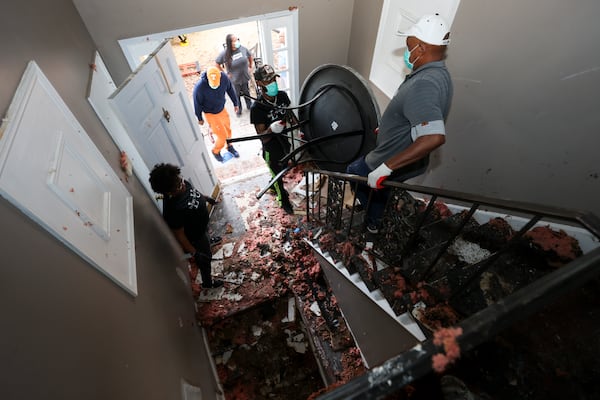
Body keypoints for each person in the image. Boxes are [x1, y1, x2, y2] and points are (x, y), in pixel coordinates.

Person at [346, 13, 453, 234]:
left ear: (422, 48)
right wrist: (387, 128)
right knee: (380, 186)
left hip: (388, 157)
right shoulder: (439, 74)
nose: (407, 51)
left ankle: (375, 222)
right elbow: (414, 116)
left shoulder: (424, 84)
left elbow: (433, 136)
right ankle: (383, 201)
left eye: (409, 46)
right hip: (401, 151)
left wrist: (386, 167)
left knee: (355, 173)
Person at [149, 163, 223, 289]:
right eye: (178, 186)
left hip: (201, 227)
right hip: (195, 237)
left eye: (181, 180)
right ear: (169, 192)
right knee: (206, 259)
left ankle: (208, 241)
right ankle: (208, 283)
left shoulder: (181, 183)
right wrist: (195, 253)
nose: (183, 185)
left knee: (205, 236)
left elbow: (193, 192)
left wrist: (205, 198)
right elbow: (180, 235)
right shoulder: (173, 210)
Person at [250, 64, 295, 215]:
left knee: (283, 168)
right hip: (271, 150)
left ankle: (273, 182)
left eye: (273, 79)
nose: (273, 83)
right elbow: (263, 138)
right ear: (260, 84)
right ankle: (284, 201)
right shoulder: (257, 108)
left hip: (285, 143)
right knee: (278, 177)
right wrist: (271, 129)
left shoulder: (282, 96)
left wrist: (299, 125)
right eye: (268, 81)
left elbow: (290, 116)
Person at [193, 66, 240, 162]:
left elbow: (230, 89)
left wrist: (235, 103)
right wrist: (199, 117)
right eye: (212, 85)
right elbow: (197, 103)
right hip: (210, 113)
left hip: (222, 109)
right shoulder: (200, 87)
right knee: (222, 136)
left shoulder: (224, 78)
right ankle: (216, 151)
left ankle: (229, 146)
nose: (215, 86)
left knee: (227, 130)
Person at [215, 33, 254, 117]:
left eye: (237, 39)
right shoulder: (225, 54)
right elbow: (217, 64)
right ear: (230, 43)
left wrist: (250, 66)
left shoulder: (242, 48)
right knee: (236, 94)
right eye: (235, 40)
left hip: (244, 76)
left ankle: (249, 104)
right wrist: (225, 74)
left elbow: (250, 55)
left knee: (246, 91)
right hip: (234, 79)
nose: (237, 41)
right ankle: (238, 108)